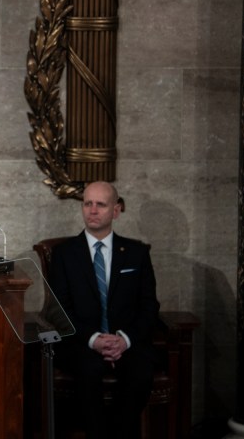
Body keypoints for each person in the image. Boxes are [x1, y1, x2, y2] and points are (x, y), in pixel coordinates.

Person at [47, 181, 161, 439]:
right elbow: (58, 310)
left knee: (140, 373)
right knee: (89, 372)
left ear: (116, 210)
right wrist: (94, 339)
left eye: (101, 204)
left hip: (127, 341)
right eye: (88, 203)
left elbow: (149, 306)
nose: (93, 210)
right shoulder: (63, 254)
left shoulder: (136, 253)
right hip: (81, 342)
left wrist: (124, 340)